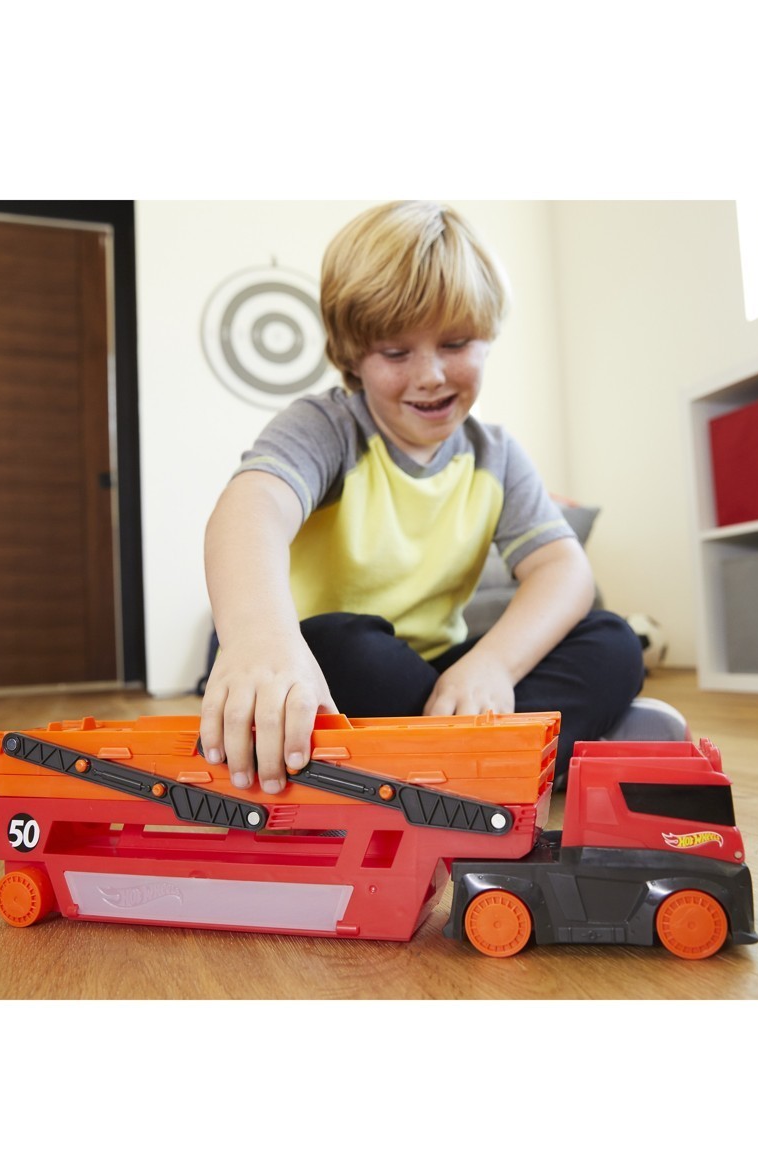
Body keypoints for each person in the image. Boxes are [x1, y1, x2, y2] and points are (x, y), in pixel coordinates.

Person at [200, 201, 643, 792]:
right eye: (395, 352)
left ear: (487, 337)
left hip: (439, 679)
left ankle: (443, 766)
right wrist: (260, 640)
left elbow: (563, 569)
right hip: (319, 665)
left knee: (613, 643)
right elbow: (252, 507)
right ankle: (496, 760)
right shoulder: (327, 427)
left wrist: (491, 666)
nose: (431, 374)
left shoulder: (497, 455)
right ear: (352, 356)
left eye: (455, 343)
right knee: (353, 652)